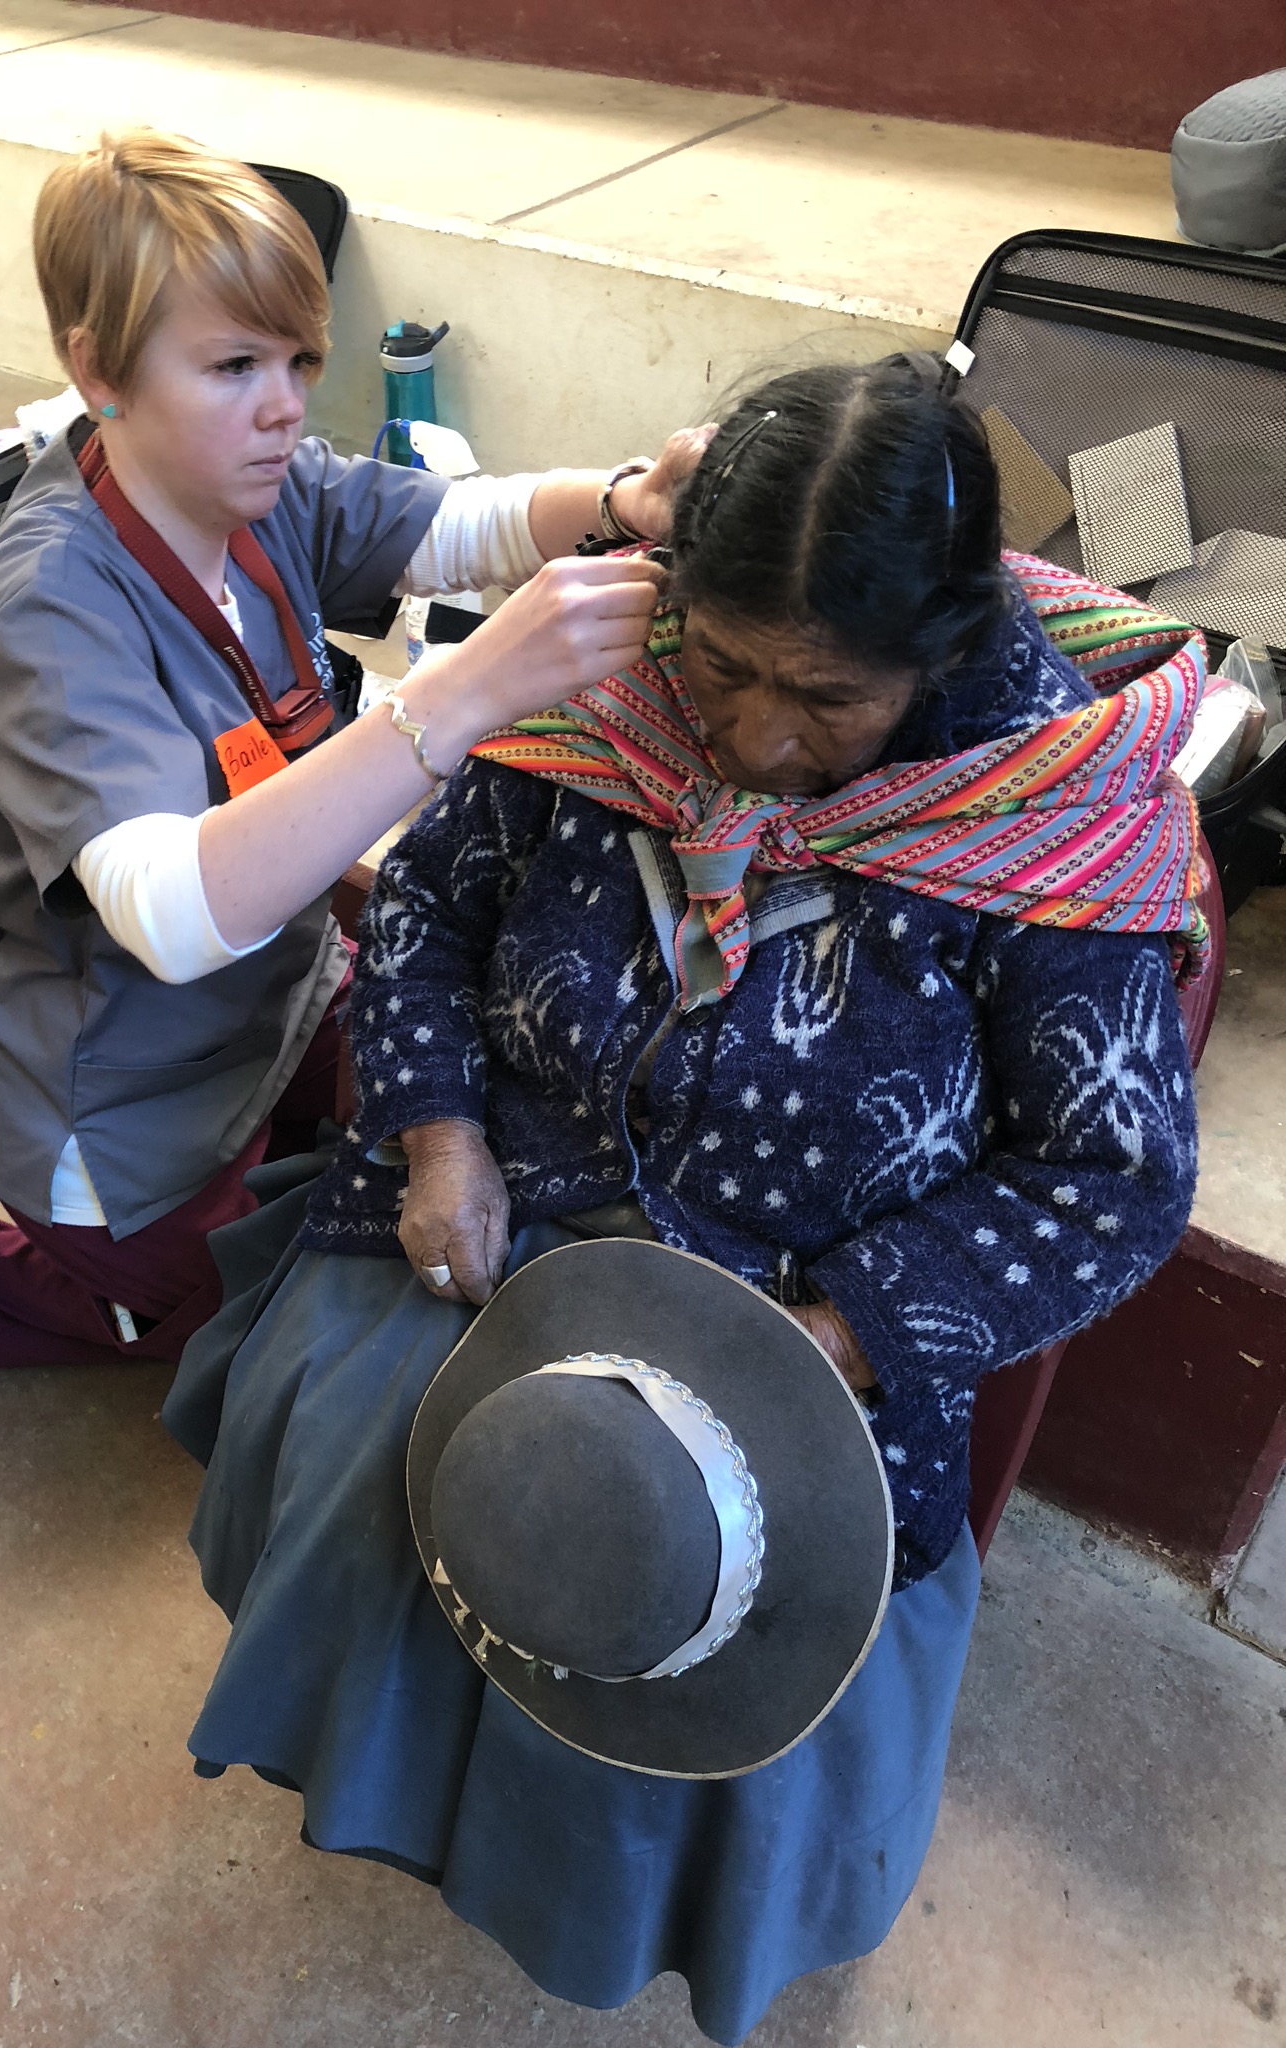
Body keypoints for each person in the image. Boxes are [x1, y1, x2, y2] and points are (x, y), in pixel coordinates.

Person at [162, 352, 1209, 2043]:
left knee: (671, 1600)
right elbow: (427, 906)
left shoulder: (1052, 818)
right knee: (383, 1478)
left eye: (828, 699)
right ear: (674, 597)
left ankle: (592, 1890)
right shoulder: (605, 677)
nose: (751, 738)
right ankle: (411, 1791)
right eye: (720, 665)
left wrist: (832, 1340)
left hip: (817, 1310)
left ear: (934, 663)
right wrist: (440, 1138)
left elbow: (1112, 1178)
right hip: (521, 1193)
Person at [0, 128, 694, 1370]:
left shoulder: (252, 484)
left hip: (276, 1001)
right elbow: (173, 915)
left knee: (331, 1187)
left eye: (300, 359)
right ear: (97, 369)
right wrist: (460, 694)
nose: (285, 406)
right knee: (197, 1323)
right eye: (235, 363)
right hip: (120, 1101)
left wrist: (620, 503)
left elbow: (454, 524)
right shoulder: (54, 605)